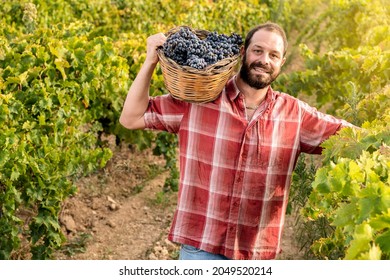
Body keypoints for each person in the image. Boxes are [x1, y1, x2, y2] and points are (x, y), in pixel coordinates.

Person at [119, 22, 353, 260]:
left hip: (256, 254)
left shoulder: (295, 114)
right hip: (202, 248)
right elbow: (131, 117)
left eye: (274, 55)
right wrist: (150, 61)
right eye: (258, 50)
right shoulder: (200, 100)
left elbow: (351, 138)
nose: (264, 60)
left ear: (282, 63)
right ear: (243, 52)